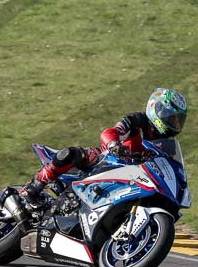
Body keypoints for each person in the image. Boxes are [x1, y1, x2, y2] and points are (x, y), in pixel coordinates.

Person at [19, 87, 188, 209]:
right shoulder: (137, 121)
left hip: (135, 176)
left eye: (178, 120)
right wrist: (114, 145)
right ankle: (32, 188)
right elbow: (112, 132)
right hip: (110, 159)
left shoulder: (166, 144)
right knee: (71, 154)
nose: (174, 124)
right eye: (171, 118)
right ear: (157, 109)